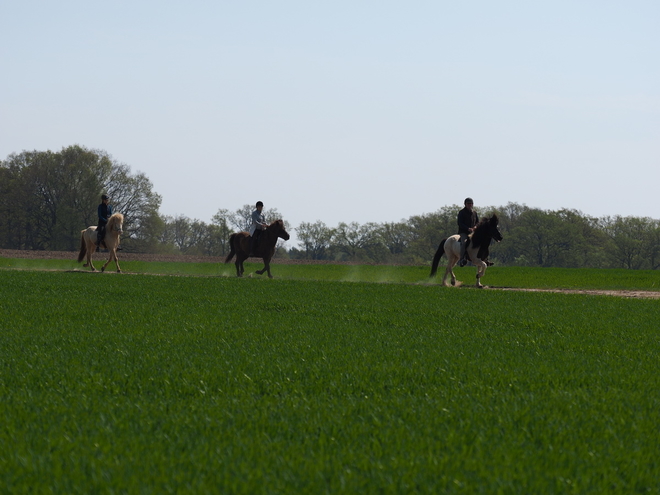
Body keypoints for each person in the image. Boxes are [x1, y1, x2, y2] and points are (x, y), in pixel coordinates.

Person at [457, 197, 479, 267]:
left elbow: (478, 222)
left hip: (473, 232)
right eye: (468, 203)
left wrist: (475, 227)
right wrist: (468, 228)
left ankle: (485, 258)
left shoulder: (474, 213)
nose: (470, 205)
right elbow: (460, 223)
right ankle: (461, 259)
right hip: (464, 232)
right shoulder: (461, 212)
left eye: (471, 204)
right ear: (465, 204)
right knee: (464, 242)